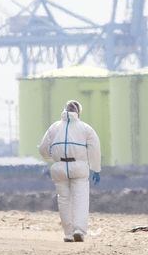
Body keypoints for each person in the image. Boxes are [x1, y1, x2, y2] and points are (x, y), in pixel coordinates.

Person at [39, 100, 101, 242]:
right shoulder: (85, 128)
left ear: (64, 110)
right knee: (80, 199)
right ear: (78, 112)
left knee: (64, 200)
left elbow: (42, 149)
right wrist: (96, 169)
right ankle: (78, 230)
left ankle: (68, 233)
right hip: (79, 167)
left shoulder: (54, 127)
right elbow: (95, 149)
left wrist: (52, 157)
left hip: (59, 167)